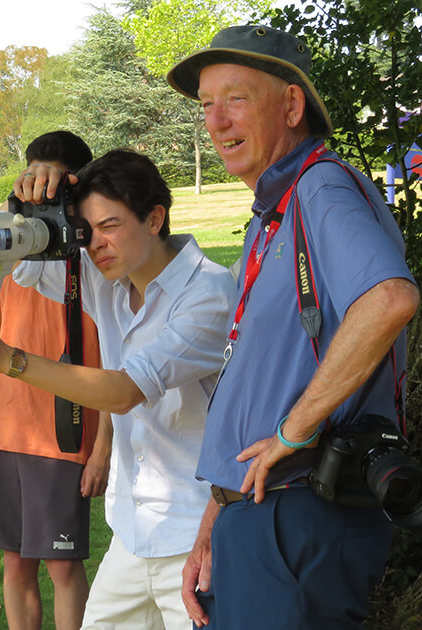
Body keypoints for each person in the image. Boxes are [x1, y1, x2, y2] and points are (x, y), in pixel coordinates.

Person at [166, 25, 419, 629]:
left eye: (236, 99)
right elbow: (258, 376)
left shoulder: (320, 187)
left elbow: (389, 299)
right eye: (206, 106)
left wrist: (294, 431)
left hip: (300, 514)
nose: (217, 122)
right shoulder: (271, 216)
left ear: (291, 105)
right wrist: (216, 516)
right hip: (255, 515)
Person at [0, 148, 236, 629]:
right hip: (131, 533)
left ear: (154, 218)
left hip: (195, 535)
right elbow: (23, 254)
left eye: (109, 225)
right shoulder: (108, 277)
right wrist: (32, 195)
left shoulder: (208, 292)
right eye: (87, 230)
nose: (96, 244)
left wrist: (10, 361)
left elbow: (125, 390)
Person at [0, 130, 111, 630]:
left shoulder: (96, 256)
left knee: (63, 565)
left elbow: (117, 359)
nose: (37, 196)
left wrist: (102, 447)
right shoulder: (7, 249)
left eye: (51, 187)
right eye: (31, 182)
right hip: (4, 428)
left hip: (65, 431)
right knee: (14, 561)